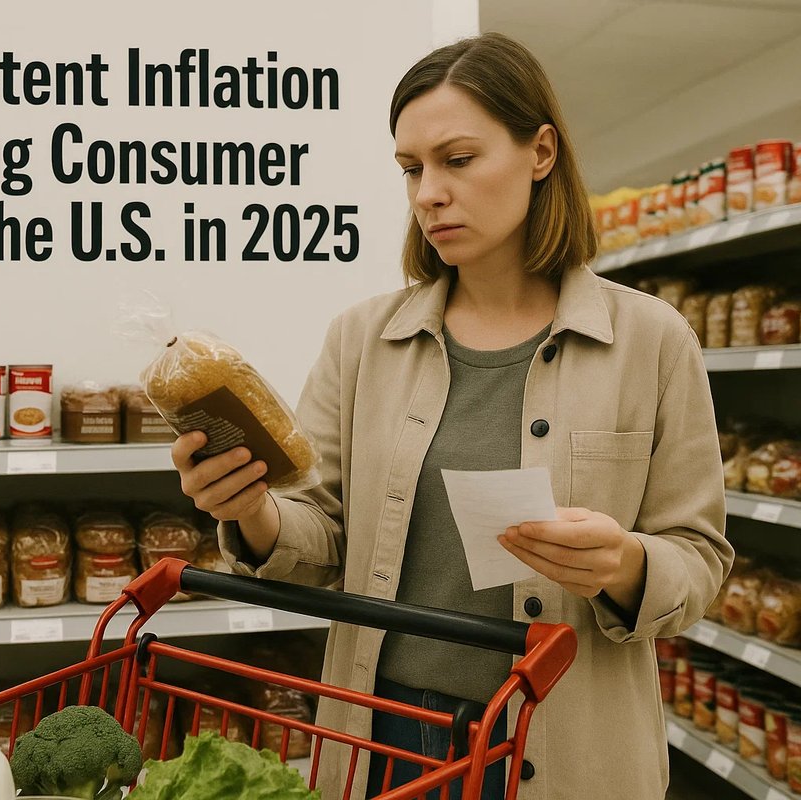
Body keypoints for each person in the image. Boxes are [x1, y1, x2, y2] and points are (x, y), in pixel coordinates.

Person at [170, 32, 733, 800]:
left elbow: (699, 560)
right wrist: (253, 513)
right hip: (380, 730)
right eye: (411, 169)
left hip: (565, 744)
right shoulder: (364, 340)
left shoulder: (650, 340)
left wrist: (626, 565)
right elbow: (323, 532)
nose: (428, 191)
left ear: (540, 153)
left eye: (457, 160)